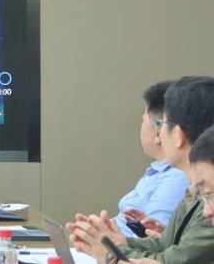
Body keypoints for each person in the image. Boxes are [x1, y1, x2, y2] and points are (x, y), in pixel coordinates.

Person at [68, 75, 214, 263]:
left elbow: (168, 261)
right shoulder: (195, 192)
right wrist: (115, 243)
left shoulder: (205, 201)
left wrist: (109, 253)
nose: (158, 132)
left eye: (162, 124)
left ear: (178, 134)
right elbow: (164, 245)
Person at [112, 80, 190, 236]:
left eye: (143, 122)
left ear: (157, 132)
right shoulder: (159, 171)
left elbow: (151, 238)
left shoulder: (177, 176)